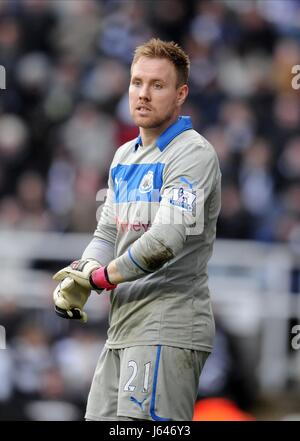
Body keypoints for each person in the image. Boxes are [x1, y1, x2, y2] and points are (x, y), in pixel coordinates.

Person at [52, 38, 221, 421]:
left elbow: (164, 241)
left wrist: (99, 278)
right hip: (122, 328)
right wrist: (81, 274)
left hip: (168, 324)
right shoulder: (123, 156)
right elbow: (108, 233)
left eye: (157, 85)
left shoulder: (192, 154)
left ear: (181, 94)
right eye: (136, 82)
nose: (143, 94)